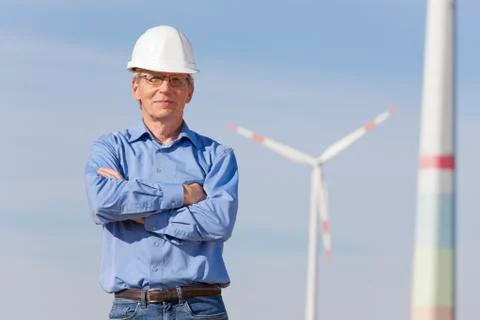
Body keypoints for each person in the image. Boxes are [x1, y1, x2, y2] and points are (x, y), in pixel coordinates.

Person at [85, 25, 238, 320]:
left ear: (189, 91)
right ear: (136, 88)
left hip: (200, 308)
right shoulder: (110, 149)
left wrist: (137, 210)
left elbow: (218, 222)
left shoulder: (217, 156)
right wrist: (181, 194)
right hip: (132, 307)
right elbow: (104, 202)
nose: (165, 88)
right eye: (153, 78)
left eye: (176, 79)